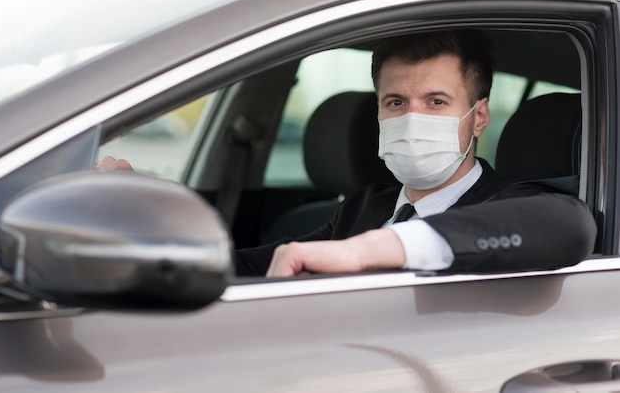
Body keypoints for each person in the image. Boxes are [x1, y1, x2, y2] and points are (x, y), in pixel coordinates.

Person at [97, 30, 597, 278]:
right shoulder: (363, 207)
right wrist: (145, 215)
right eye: (396, 102)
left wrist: (363, 251)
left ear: (480, 117)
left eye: (437, 102)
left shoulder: (512, 198)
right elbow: (251, 267)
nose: (412, 118)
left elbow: (568, 226)